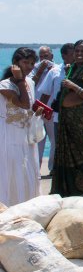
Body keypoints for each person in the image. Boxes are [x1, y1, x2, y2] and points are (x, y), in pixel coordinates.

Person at [52, 39, 83, 197]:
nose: (79, 54)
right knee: (66, 155)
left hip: (82, 125)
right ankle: (67, 190)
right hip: (67, 124)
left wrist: (73, 87)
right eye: (76, 51)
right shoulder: (72, 69)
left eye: (82, 51)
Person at [0, 47, 41, 205]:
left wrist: (37, 112)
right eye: (25, 62)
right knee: (11, 172)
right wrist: (20, 80)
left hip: (25, 135)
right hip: (9, 136)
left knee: (27, 171)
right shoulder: (5, 86)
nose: (29, 67)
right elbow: (24, 104)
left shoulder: (30, 82)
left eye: (32, 63)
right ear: (15, 64)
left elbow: (28, 108)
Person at [35, 43, 75, 175]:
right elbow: (45, 93)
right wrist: (41, 111)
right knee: (40, 140)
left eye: (46, 56)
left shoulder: (68, 69)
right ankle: (37, 169)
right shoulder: (53, 71)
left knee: (55, 143)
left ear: (52, 55)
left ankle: (53, 169)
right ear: (63, 56)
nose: (44, 59)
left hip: (66, 114)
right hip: (48, 112)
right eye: (41, 56)